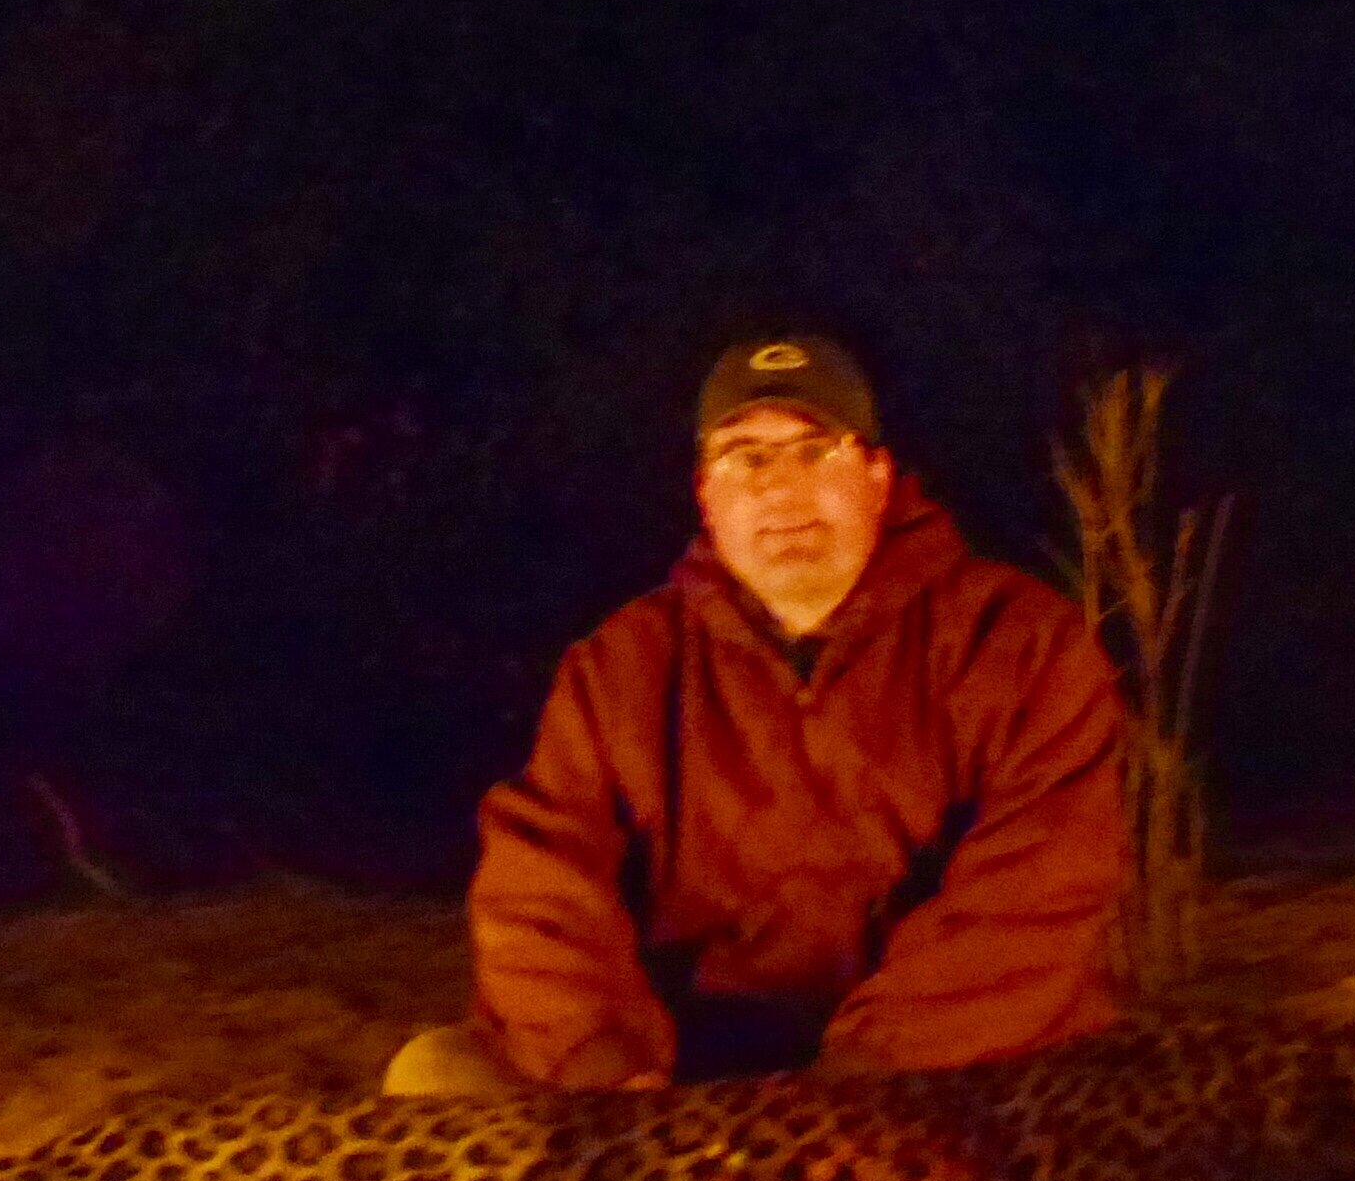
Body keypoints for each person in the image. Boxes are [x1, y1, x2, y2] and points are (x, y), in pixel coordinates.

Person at [387, 331, 1131, 1096]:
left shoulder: (1020, 643)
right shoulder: (622, 666)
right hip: (680, 1075)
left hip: (940, 1066)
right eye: (748, 457)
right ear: (707, 494)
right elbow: (539, 885)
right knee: (435, 1076)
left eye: (815, 451)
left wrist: (865, 1077)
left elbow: (1036, 900)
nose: (783, 489)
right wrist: (606, 1062)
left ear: (878, 476)